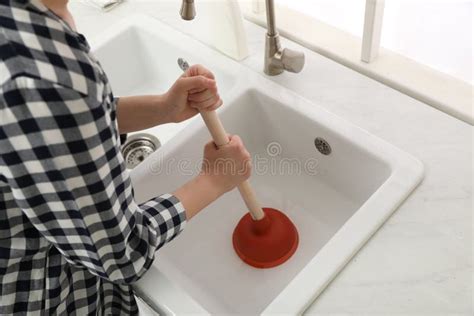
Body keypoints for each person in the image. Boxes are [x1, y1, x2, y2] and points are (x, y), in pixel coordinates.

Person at [0, 0, 252, 314]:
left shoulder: (27, 20)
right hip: (43, 295)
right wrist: (214, 181)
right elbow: (121, 255)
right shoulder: (44, 75)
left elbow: (59, 126)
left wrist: (162, 109)